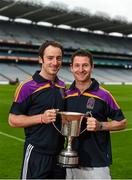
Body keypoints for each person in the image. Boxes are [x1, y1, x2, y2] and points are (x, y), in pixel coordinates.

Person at [65, 49, 127, 179]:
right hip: (69, 162)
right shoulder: (65, 95)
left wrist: (100, 126)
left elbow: (122, 122)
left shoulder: (104, 95)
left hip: (97, 165)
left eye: (85, 65)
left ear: (92, 67)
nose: (81, 69)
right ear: (71, 68)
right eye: (77, 65)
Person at [8, 41, 66, 179]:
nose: (55, 62)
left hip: (59, 154)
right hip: (37, 152)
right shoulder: (27, 87)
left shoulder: (62, 86)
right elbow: (12, 120)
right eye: (50, 58)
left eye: (58, 58)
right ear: (41, 59)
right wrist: (41, 118)